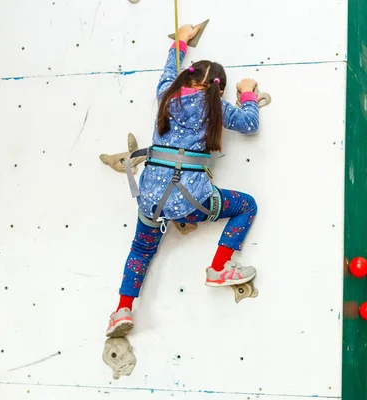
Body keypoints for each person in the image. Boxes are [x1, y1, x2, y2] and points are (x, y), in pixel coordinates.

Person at [106, 24, 260, 338]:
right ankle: (219, 268)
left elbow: (169, 68)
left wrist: (180, 40)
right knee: (247, 206)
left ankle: (122, 308)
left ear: (185, 78)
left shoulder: (166, 93)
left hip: (150, 200)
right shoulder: (216, 105)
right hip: (194, 203)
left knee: (140, 250)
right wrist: (247, 93)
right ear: (218, 90)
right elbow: (249, 123)